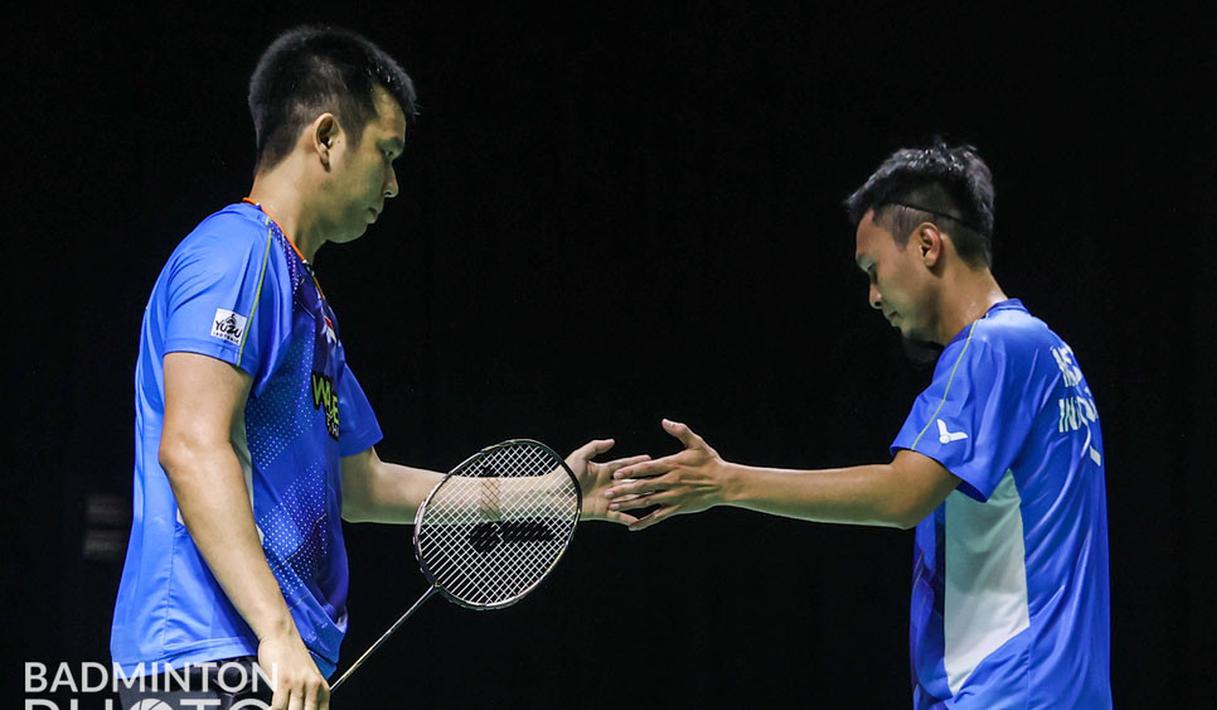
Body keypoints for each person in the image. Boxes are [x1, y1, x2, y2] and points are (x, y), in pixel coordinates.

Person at [110, 25, 643, 710]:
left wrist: (553, 496)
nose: (393, 185)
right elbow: (190, 444)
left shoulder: (309, 305)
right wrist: (275, 634)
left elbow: (360, 485)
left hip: (272, 662)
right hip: (207, 651)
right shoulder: (234, 256)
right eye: (386, 154)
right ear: (326, 137)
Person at [606, 141, 1111, 707]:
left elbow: (902, 496)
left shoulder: (990, 349)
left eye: (874, 270)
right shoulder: (1050, 352)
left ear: (926, 245)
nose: (873, 297)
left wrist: (726, 482)